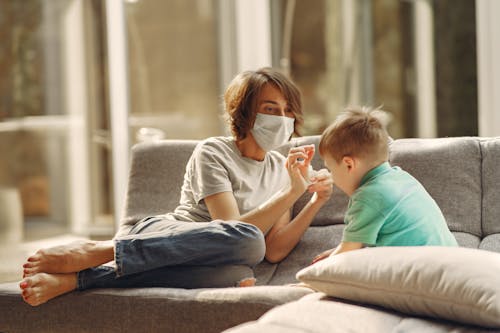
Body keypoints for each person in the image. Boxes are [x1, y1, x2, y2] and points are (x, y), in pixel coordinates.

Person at [20, 67, 333, 306]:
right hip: (165, 233)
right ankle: (104, 250)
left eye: (287, 110)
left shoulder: (283, 169)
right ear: (246, 112)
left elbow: (275, 251)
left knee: (241, 274)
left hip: (213, 260)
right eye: (270, 109)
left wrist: (312, 198)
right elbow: (229, 227)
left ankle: (80, 279)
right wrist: (290, 192)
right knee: (250, 242)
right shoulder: (213, 151)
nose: (282, 118)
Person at [312, 106, 458, 264]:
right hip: (451, 261)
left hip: (425, 274)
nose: (330, 175)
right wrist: (339, 250)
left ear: (349, 165)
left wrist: (309, 279)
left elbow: (346, 254)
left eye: (330, 168)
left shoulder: (367, 197)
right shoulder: (401, 177)